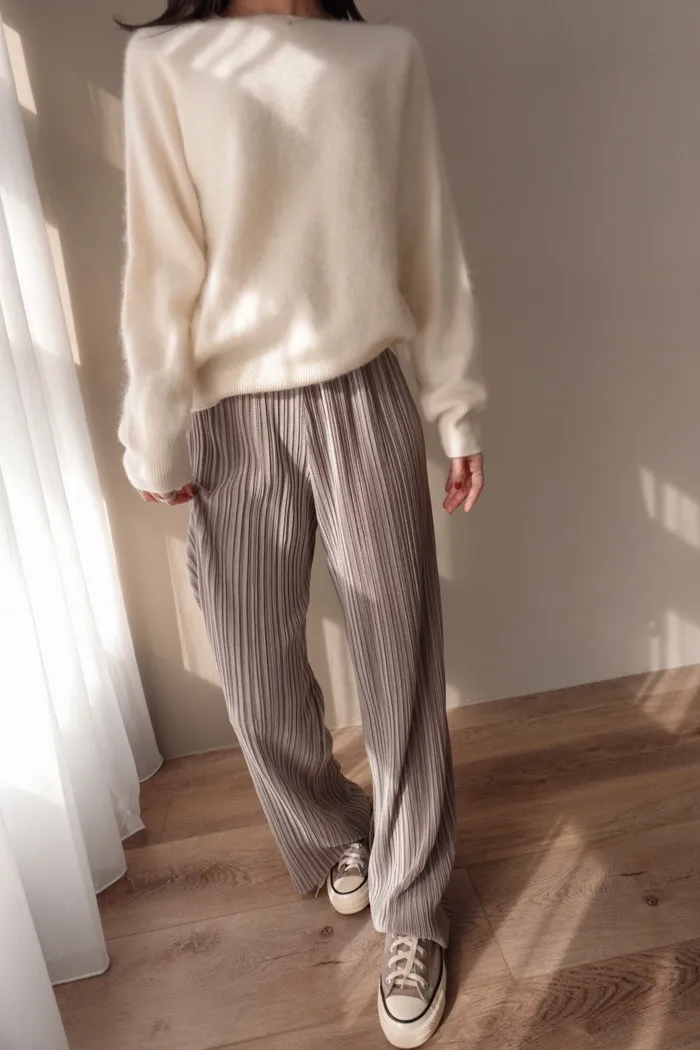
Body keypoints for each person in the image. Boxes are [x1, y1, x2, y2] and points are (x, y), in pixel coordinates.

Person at [117, 0, 485, 1044]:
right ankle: (332, 831)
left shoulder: (382, 58)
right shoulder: (167, 63)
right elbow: (160, 268)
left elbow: (427, 242)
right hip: (233, 413)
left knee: (399, 663)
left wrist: (456, 407)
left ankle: (413, 908)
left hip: (366, 390)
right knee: (250, 662)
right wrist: (156, 433)